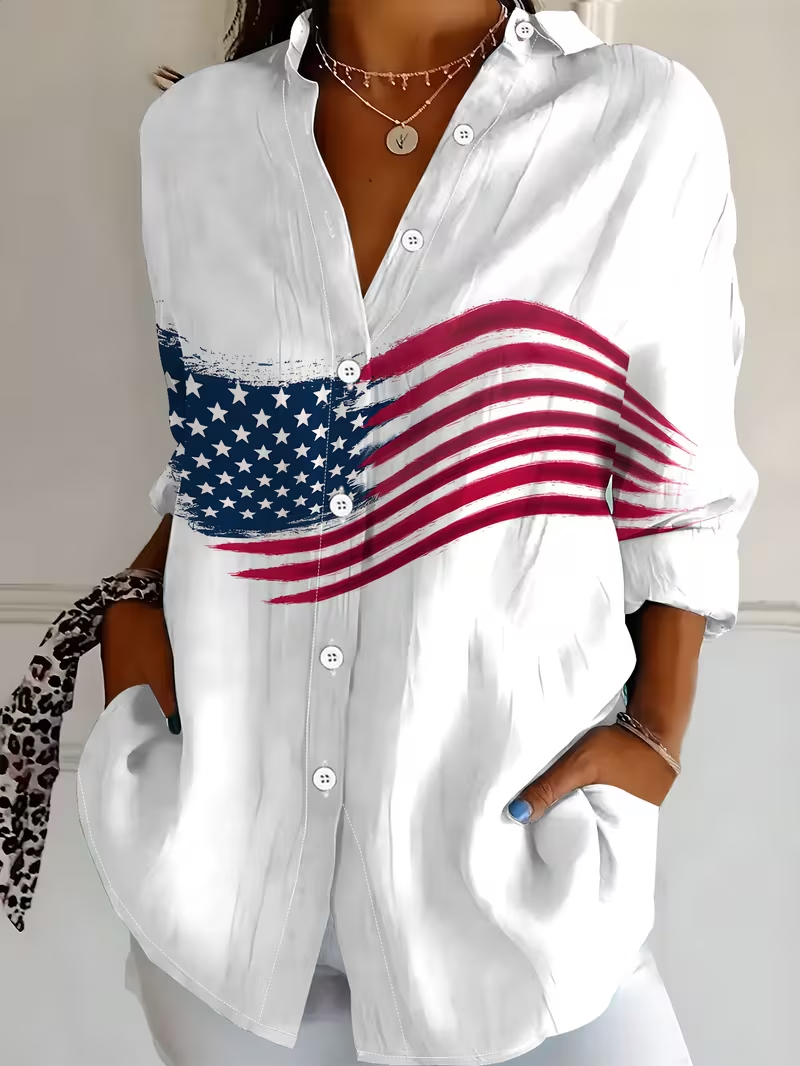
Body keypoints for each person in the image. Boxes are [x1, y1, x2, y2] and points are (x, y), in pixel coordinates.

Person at [83, 1, 758, 1064]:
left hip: (511, 895)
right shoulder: (194, 138)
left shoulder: (637, 121)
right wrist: (131, 623)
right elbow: (217, 447)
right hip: (221, 893)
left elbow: (679, 486)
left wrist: (658, 733)